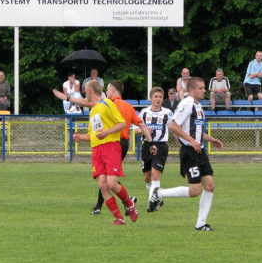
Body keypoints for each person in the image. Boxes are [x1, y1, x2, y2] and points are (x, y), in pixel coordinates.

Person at [149, 77, 224, 231]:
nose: (204, 90)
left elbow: (196, 132)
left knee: (209, 186)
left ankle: (201, 224)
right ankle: (159, 193)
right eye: (201, 88)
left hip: (199, 151)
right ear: (191, 90)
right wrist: (191, 140)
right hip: (189, 152)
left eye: (204, 88)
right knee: (195, 190)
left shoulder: (199, 106)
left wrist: (212, 140)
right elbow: (173, 125)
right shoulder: (186, 104)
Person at [72, 80, 140, 225]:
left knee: (111, 183)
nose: (85, 93)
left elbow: (122, 124)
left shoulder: (107, 104)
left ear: (90, 91)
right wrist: (80, 138)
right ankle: (119, 218)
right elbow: (93, 135)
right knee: (103, 185)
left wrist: (107, 132)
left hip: (110, 147)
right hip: (97, 150)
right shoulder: (93, 111)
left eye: (85, 90)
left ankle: (129, 204)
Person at [135, 87, 174, 212]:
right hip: (147, 145)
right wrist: (144, 130)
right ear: (150, 98)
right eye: (155, 96)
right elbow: (136, 130)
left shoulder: (167, 113)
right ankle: (158, 198)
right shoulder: (144, 113)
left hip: (161, 146)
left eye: (160, 97)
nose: (158, 99)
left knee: (155, 175)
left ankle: (151, 204)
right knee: (147, 177)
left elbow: (174, 129)